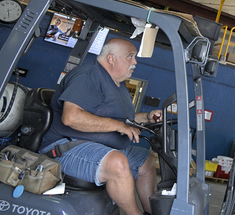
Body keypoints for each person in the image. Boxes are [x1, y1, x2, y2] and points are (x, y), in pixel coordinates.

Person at [39, 38, 160, 215]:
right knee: (117, 163)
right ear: (111, 58)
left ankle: (152, 213)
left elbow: (123, 119)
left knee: (146, 160)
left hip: (99, 146)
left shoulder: (118, 83)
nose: (135, 62)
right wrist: (118, 126)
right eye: (130, 56)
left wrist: (147, 117)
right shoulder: (88, 76)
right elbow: (71, 117)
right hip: (67, 147)